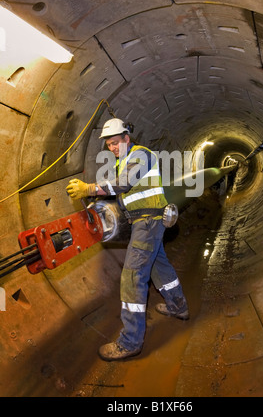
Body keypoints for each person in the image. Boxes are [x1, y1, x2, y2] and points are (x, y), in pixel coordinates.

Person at [66, 118, 189, 361]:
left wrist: (89, 188)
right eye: (109, 145)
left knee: (133, 277)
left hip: (149, 221)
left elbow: (123, 185)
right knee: (159, 267)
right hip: (145, 222)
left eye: (115, 142)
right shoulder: (124, 161)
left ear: (126, 138)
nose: (112, 147)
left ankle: (130, 341)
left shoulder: (140, 155)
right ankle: (178, 306)